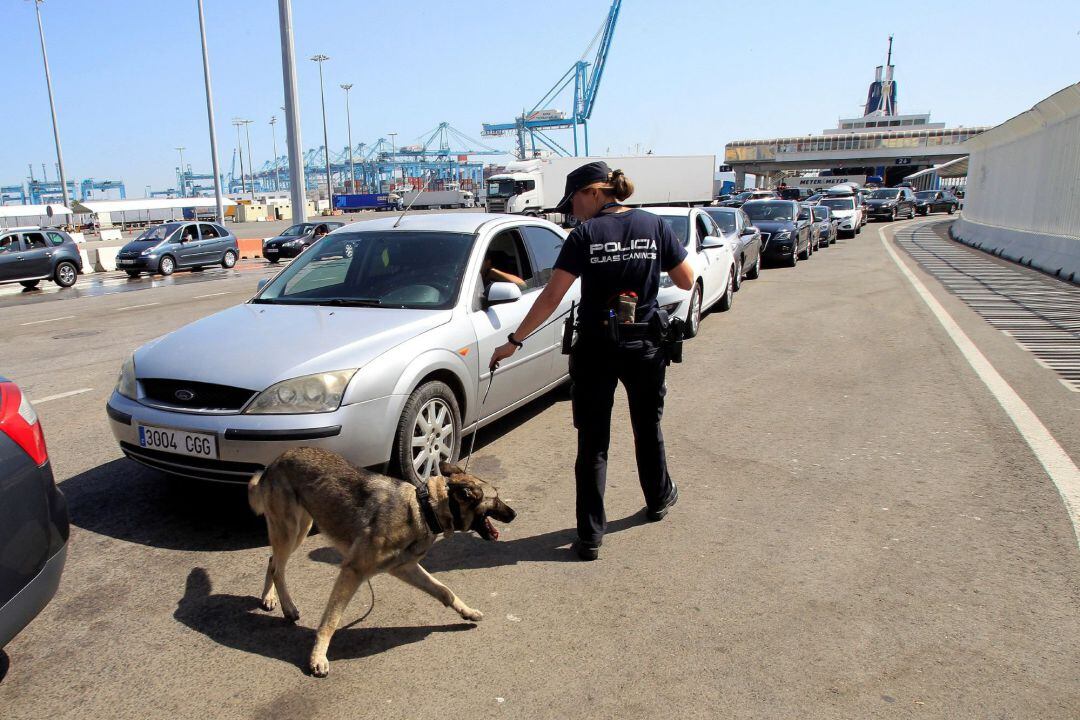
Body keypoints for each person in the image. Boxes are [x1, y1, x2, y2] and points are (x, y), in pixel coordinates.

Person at [488, 161, 695, 561]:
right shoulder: (654, 225)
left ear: (595, 192)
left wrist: (515, 341)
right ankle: (658, 499)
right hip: (643, 345)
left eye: (574, 201)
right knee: (647, 426)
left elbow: (551, 297)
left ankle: (590, 537)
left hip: (597, 347)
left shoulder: (585, 235)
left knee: (593, 442)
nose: (571, 210)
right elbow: (685, 280)